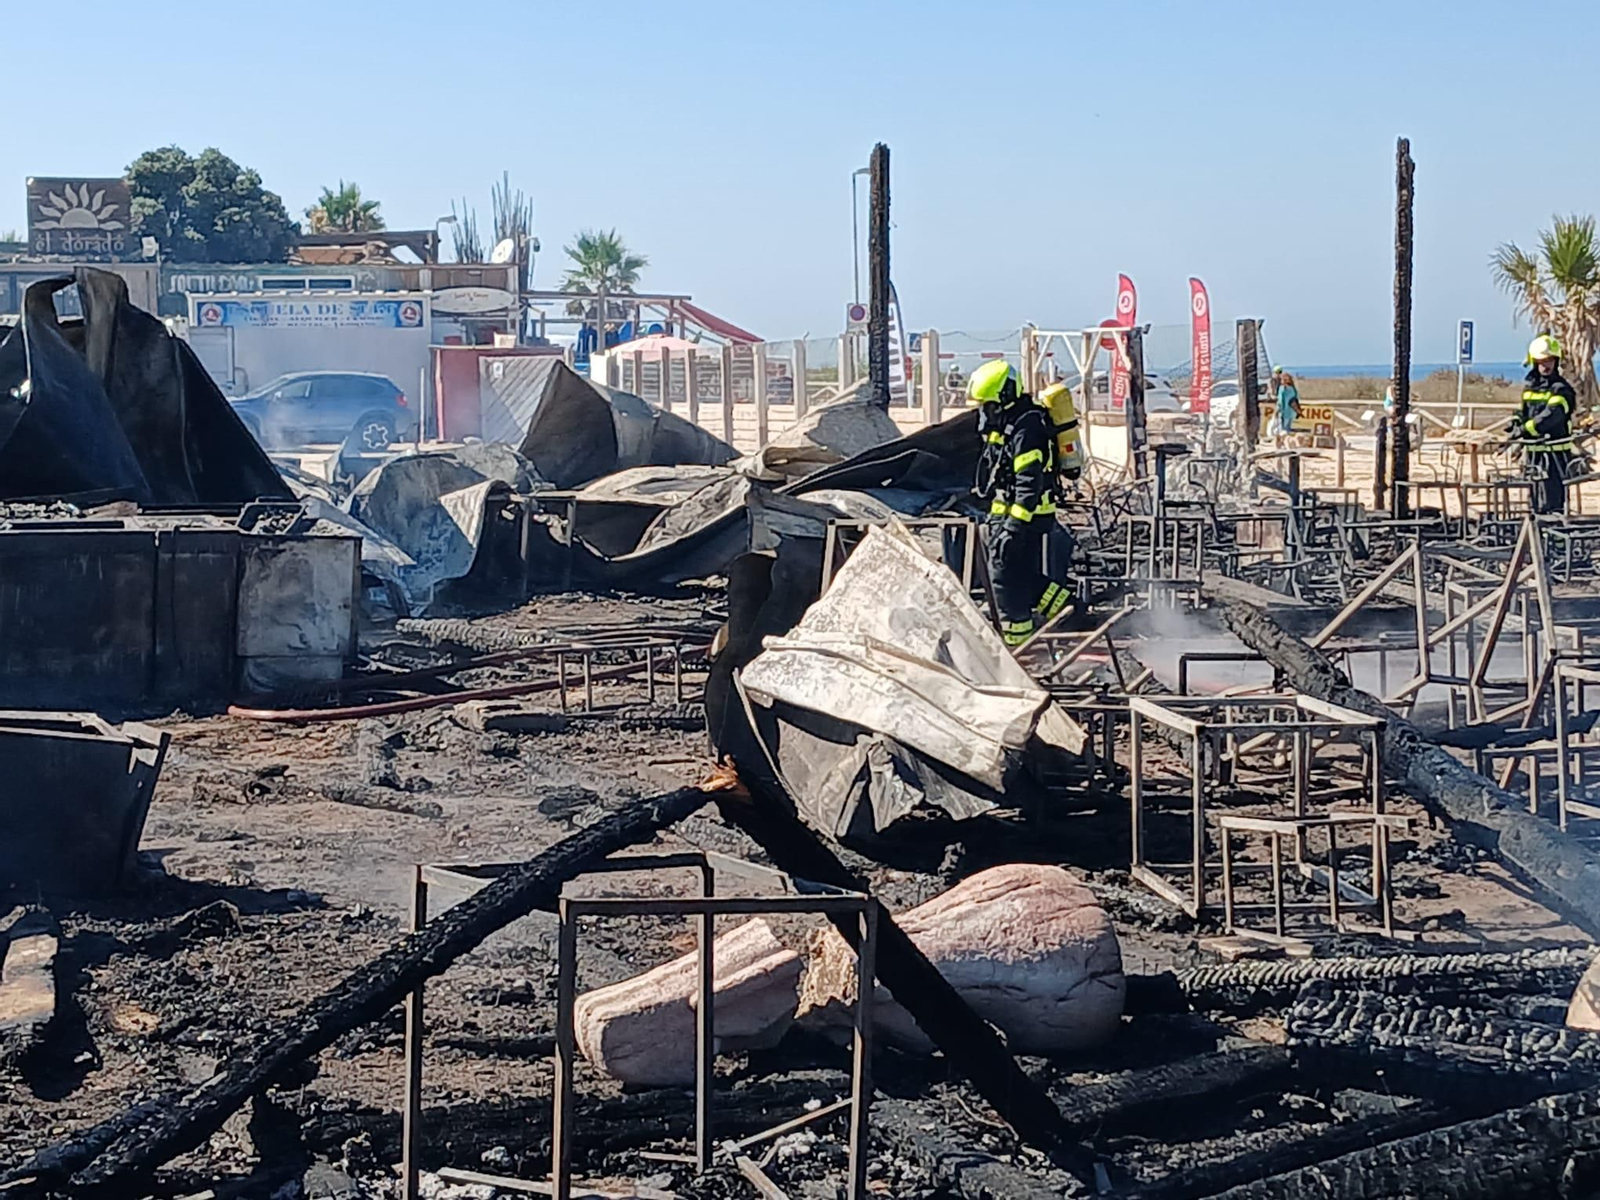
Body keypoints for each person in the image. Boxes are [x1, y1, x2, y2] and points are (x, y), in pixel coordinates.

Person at [967, 361, 1072, 646]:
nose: (982, 412)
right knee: (1022, 576)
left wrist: (1013, 528)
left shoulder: (1028, 429)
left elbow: (1028, 484)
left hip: (1028, 517)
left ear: (1003, 399)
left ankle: (1017, 644)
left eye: (986, 406)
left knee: (1005, 579)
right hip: (1011, 516)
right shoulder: (1008, 425)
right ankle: (1070, 611)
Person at [1515, 334, 1576, 514]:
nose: (1545, 365)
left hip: (1556, 458)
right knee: (1534, 503)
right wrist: (1516, 421)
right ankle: (1537, 539)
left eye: (1549, 360)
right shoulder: (1530, 388)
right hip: (1534, 456)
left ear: (1556, 361)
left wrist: (1525, 429)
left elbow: (1551, 416)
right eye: (1541, 360)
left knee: (1553, 503)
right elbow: (1523, 411)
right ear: (1534, 361)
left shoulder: (1562, 389)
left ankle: (1555, 539)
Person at [1274, 369, 1301, 447]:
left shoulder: (1283, 389)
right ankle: (1287, 444)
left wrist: (1278, 410)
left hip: (1284, 411)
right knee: (1287, 428)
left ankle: (1284, 444)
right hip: (1291, 411)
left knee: (1283, 429)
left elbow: (1281, 401)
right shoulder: (1293, 389)